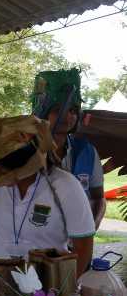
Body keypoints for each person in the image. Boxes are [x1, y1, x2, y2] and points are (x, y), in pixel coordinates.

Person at [0, 115, 96, 277]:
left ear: (26, 165)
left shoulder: (65, 186)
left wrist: (62, 289)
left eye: (4, 170)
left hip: (44, 291)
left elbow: (83, 247)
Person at [31, 68, 106, 229]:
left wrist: (89, 228)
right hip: (30, 243)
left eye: (72, 111)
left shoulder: (86, 151)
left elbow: (98, 198)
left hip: (73, 246)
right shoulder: (23, 150)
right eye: (59, 110)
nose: (68, 117)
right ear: (42, 112)